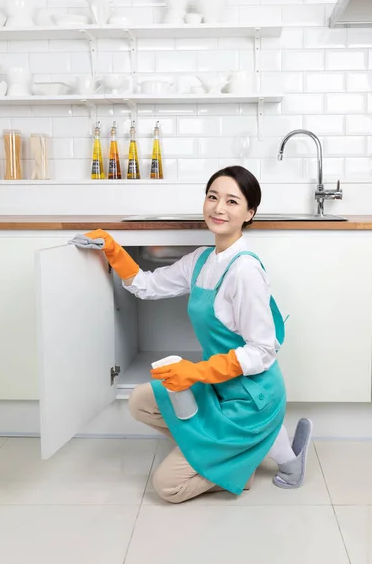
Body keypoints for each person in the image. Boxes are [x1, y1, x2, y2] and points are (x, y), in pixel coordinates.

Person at [70, 165, 312, 503]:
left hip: (251, 400)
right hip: (220, 388)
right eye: (212, 197)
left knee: (168, 487)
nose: (218, 208)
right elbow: (146, 285)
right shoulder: (202, 260)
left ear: (249, 212)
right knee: (141, 401)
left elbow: (262, 350)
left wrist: (196, 371)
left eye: (231, 201)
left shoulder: (245, 270)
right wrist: (112, 249)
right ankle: (236, 454)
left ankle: (239, 465)